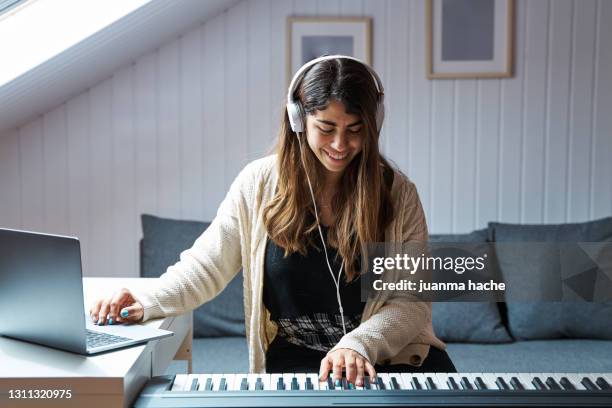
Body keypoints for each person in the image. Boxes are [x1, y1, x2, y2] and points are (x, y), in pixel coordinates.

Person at [90, 55, 455, 389]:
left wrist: (358, 345)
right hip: (299, 361)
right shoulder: (258, 184)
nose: (341, 144)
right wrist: (145, 298)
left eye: (355, 129)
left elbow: (412, 302)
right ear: (298, 120)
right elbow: (206, 265)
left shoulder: (398, 193)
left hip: (393, 359)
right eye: (326, 128)